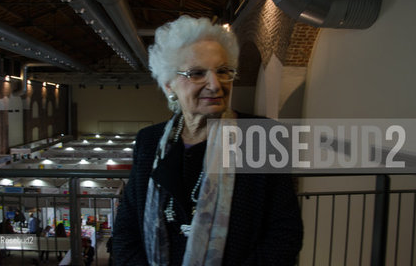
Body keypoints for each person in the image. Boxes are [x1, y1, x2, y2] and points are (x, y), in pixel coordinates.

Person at [112, 15, 303, 265]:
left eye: (223, 71)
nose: (215, 84)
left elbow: (285, 234)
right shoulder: (149, 141)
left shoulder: (262, 137)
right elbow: (126, 229)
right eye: (197, 73)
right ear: (169, 85)